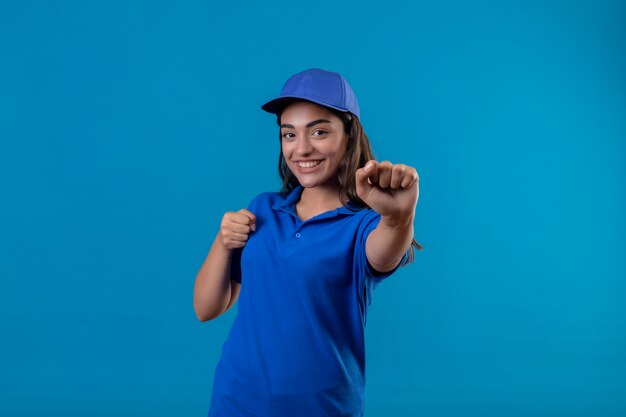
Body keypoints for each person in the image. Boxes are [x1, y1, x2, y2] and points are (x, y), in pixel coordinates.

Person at [194, 68, 422, 417]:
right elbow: (206, 308)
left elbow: (386, 251)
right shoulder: (263, 209)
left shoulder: (364, 225)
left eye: (318, 131)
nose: (301, 148)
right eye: (289, 134)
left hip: (320, 408)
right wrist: (222, 243)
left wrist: (397, 218)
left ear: (349, 135)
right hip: (236, 401)